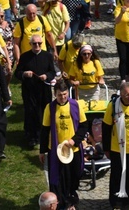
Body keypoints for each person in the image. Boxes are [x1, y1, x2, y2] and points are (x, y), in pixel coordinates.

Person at [39, 81, 87, 210]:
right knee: (59, 178)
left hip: (73, 149)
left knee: (73, 176)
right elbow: (45, 130)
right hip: (56, 150)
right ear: (55, 94)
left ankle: (71, 201)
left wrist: (74, 141)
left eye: (64, 94)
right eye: (59, 95)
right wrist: (42, 151)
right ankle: (61, 203)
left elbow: (83, 127)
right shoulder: (50, 108)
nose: (62, 97)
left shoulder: (75, 105)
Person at [14, 35, 56, 149]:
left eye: (39, 43)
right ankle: (31, 136)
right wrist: (24, 74)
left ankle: (44, 135)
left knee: (44, 112)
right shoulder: (24, 56)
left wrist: (46, 76)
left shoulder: (47, 56)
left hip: (44, 90)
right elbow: (17, 73)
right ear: (30, 44)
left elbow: (52, 72)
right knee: (31, 112)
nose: (37, 45)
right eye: (34, 43)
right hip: (29, 90)